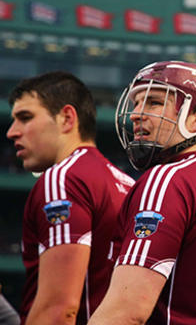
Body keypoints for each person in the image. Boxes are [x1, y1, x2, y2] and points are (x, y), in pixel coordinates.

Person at [88, 61, 196, 324]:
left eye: (154, 103)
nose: (136, 114)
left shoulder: (168, 179)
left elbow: (125, 312)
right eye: (137, 103)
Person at [6, 71, 134, 324]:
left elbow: (59, 310)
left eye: (25, 117)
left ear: (66, 118)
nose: (12, 132)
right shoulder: (128, 185)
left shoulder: (63, 179)